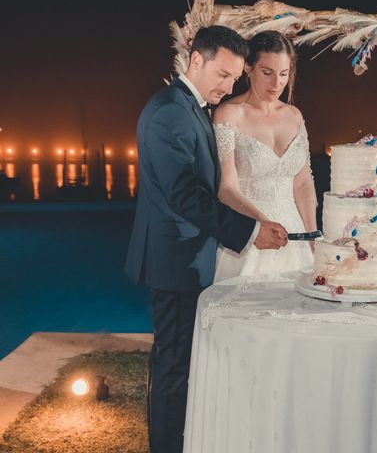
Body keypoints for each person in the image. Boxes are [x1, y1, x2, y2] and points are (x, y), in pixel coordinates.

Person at [124, 25, 288, 453]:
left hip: (189, 257)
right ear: (195, 59)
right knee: (174, 367)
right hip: (174, 260)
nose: (228, 85)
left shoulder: (190, 106)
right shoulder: (169, 112)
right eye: (222, 74)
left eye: (234, 78)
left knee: (180, 363)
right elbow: (184, 194)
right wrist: (250, 231)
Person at [212, 30, 317, 282]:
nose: (276, 84)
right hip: (250, 233)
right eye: (267, 73)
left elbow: (302, 182)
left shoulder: (294, 115)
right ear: (249, 67)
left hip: (295, 237)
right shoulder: (229, 114)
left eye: (283, 74)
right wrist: (262, 225)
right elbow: (226, 187)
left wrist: (312, 235)